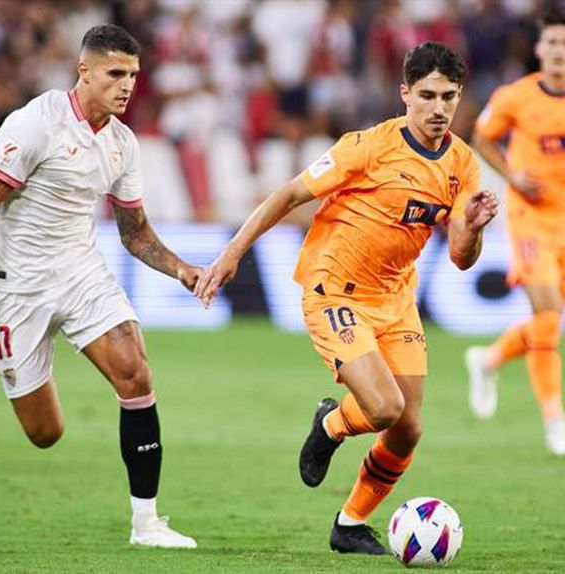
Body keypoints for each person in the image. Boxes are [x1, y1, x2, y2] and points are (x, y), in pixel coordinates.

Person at [195, 41, 498, 555]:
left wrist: (472, 228)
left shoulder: (463, 165)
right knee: (383, 407)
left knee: (407, 429)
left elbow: (461, 259)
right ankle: (332, 423)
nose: (439, 108)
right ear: (405, 94)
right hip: (335, 289)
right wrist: (232, 253)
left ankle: (350, 524)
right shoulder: (368, 147)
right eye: (427, 95)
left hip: (396, 297)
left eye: (449, 96)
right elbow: (290, 194)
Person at [0, 24, 199, 549]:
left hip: (80, 273)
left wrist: (182, 270)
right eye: (115, 73)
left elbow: (134, 232)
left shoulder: (122, 143)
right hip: (14, 287)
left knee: (135, 371)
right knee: (45, 433)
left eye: (133, 75)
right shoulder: (38, 124)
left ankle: (147, 523)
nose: (127, 85)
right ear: (83, 72)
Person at [466, 3, 565, 456]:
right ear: (539, 48)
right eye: (552, 42)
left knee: (549, 321)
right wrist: (511, 176)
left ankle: (488, 359)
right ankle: (555, 422)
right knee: (548, 311)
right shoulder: (515, 96)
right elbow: (482, 137)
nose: (559, 50)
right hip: (530, 216)